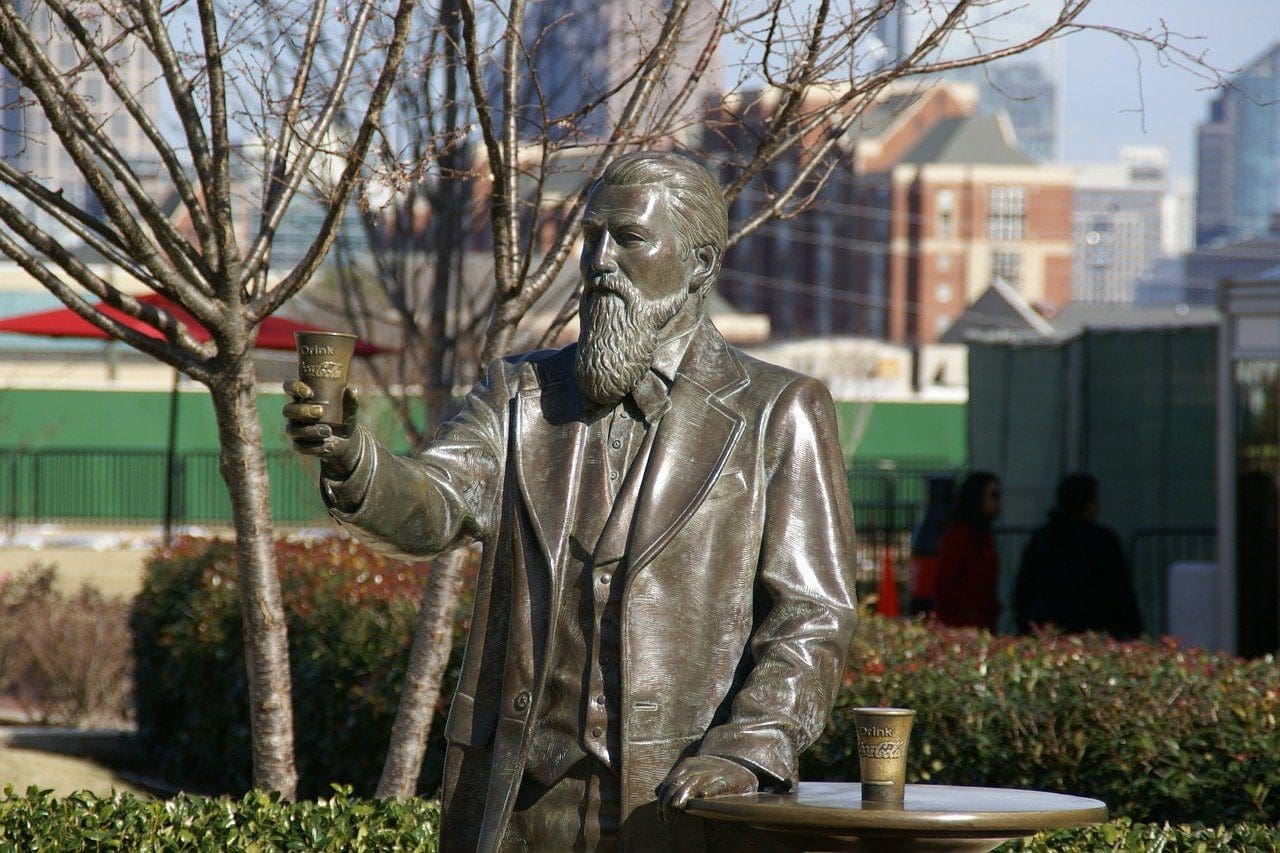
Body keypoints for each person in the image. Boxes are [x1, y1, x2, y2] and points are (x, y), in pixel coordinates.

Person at [283, 152, 858, 852]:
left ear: (701, 263)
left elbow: (813, 612)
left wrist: (745, 749)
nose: (598, 261)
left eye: (628, 238)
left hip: (680, 805)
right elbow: (435, 502)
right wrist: (353, 456)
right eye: (592, 236)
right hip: (520, 804)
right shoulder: (518, 396)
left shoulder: (778, 413)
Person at [1014, 472, 1142, 641]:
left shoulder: (1042, 539)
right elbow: (1119, 590)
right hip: (1093, 630)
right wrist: (1133, 630)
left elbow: (1024, 588)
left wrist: (1026, 625)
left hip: (1048, 631)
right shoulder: (1102, 541)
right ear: (1089, 504)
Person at [933, 472, 1002, 630]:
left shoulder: (984, 537)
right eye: (993, 495)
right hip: (960, 625)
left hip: (979, 623)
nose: (999, 502)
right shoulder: (960, 536)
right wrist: (971, 609)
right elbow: (945, 584)